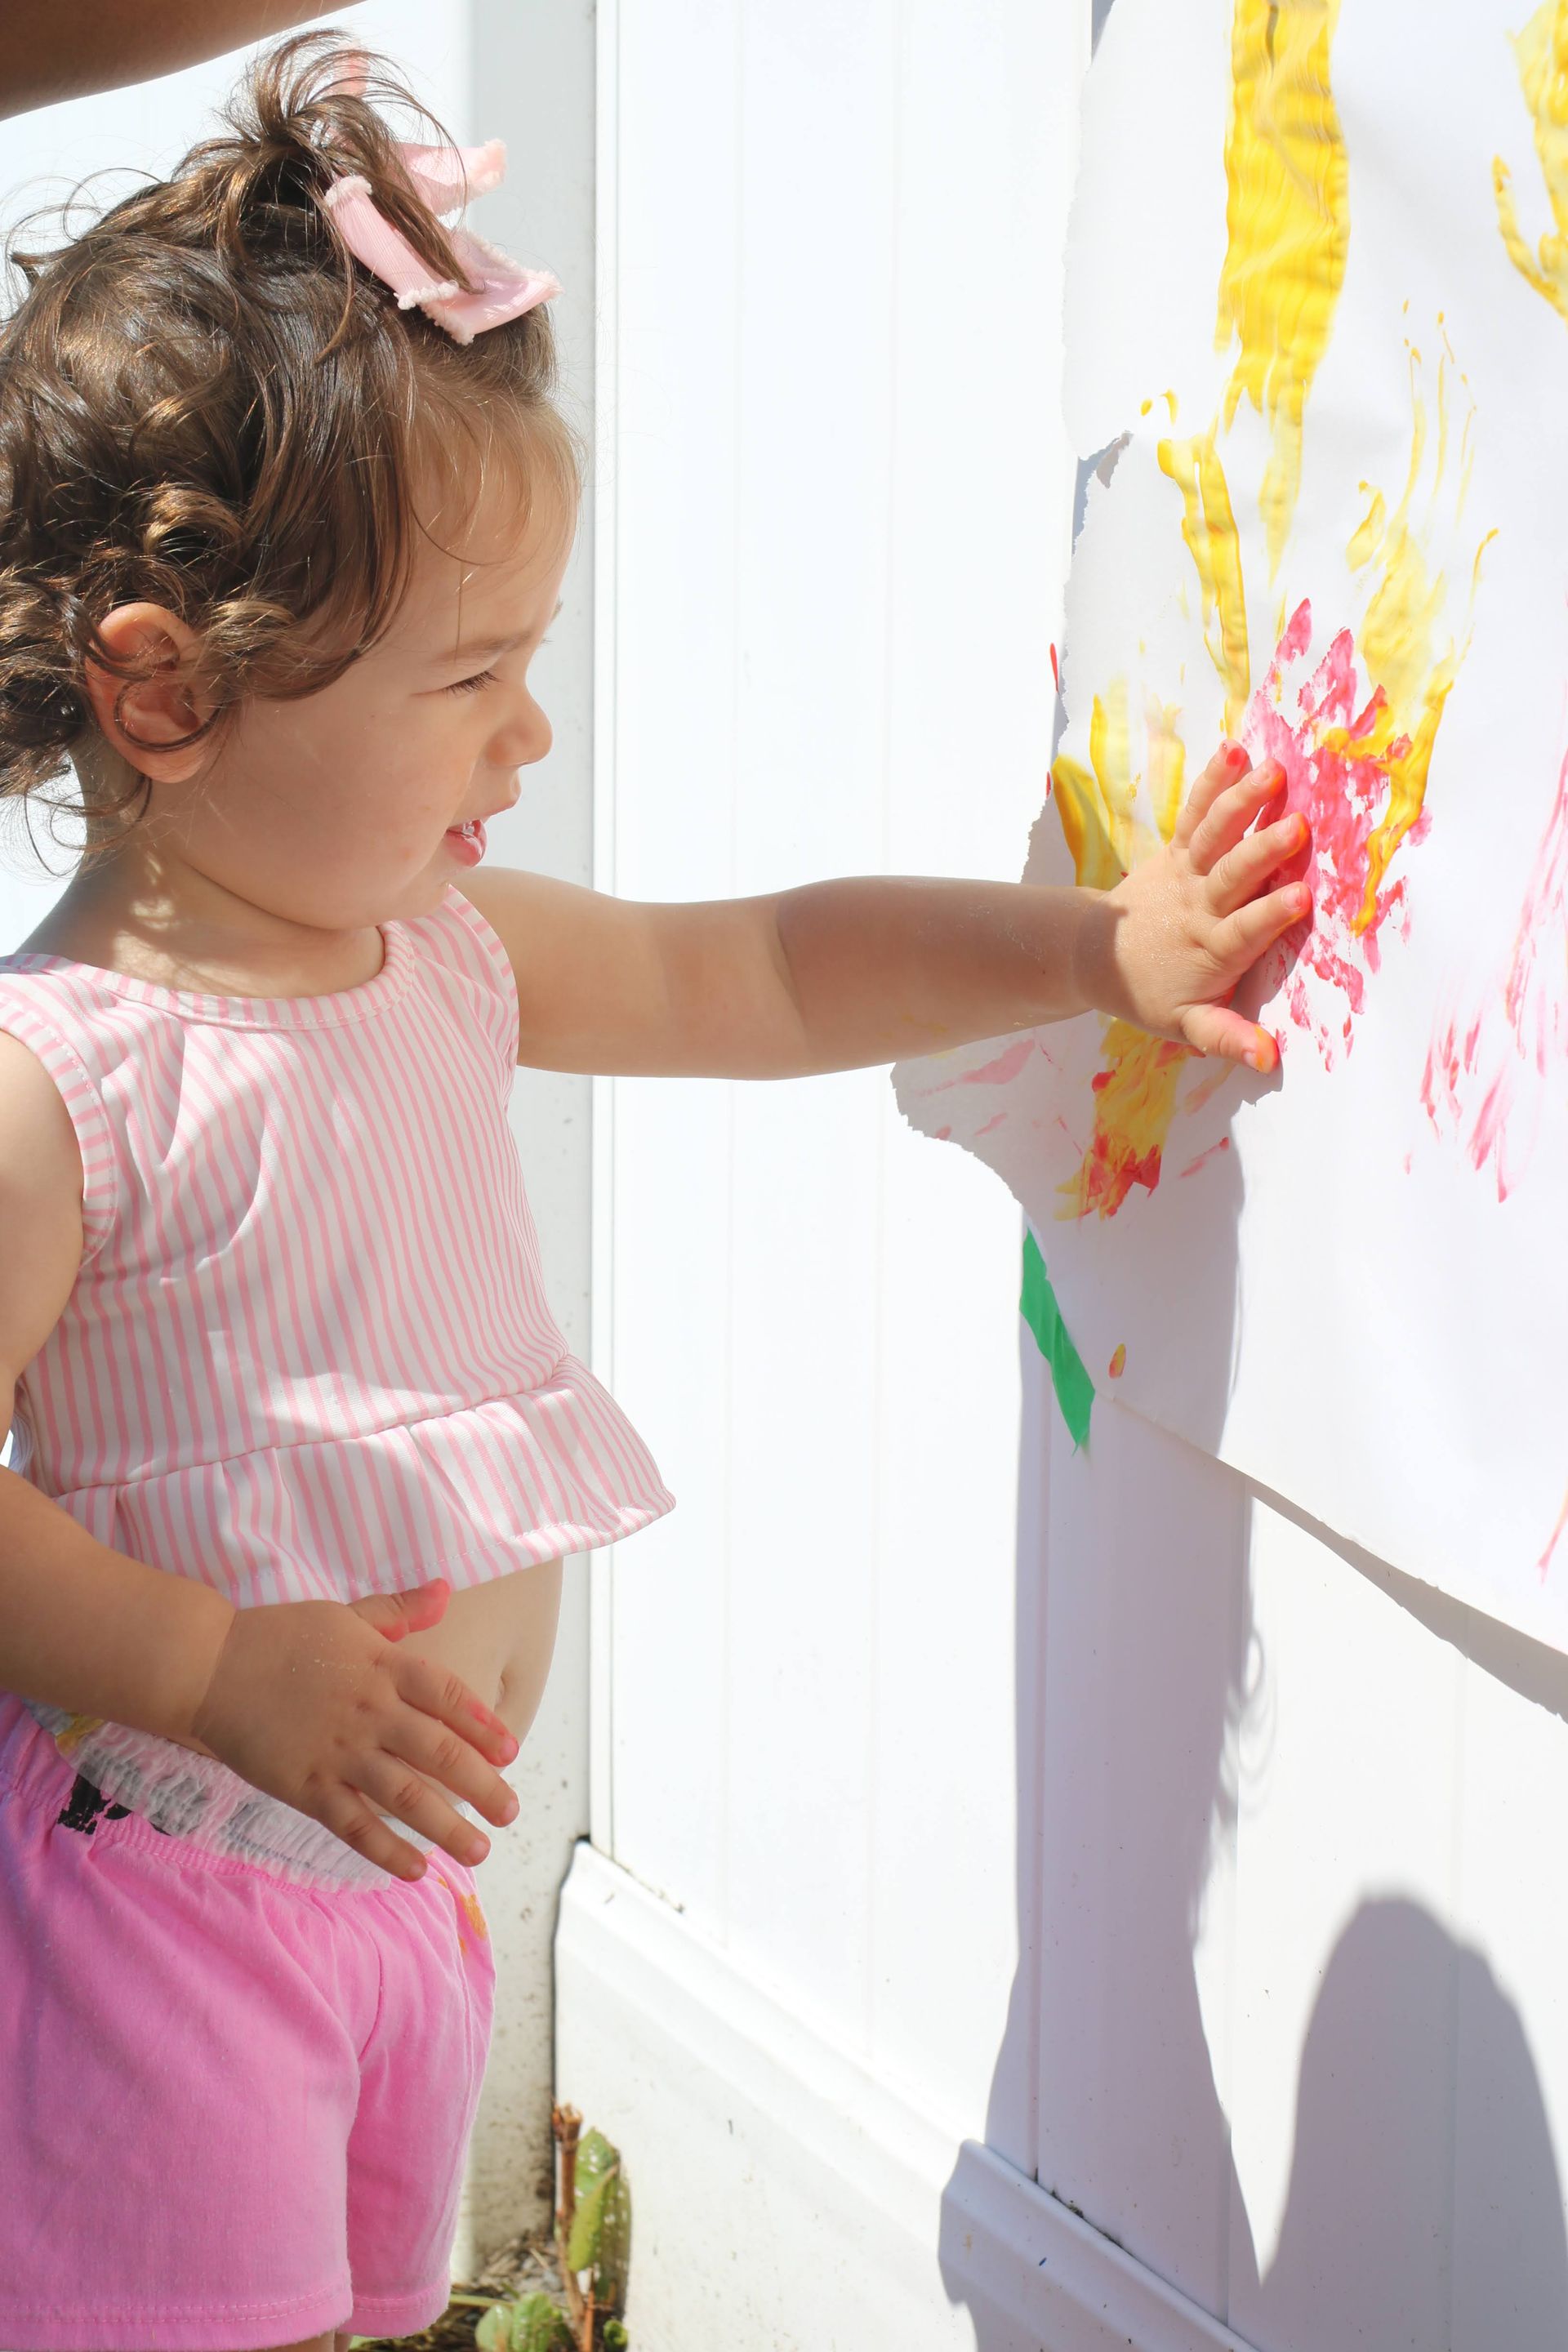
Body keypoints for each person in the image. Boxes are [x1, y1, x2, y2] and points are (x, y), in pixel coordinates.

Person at [0, 33, 1310, 2352]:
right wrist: (211, 1665)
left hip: (404, 1917)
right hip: (170, 1912)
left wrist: (1089, 952)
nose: (530, 737)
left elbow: (763, 967)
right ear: (165, 688)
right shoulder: (63, 1080)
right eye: (476, 677)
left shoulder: (443, 951)